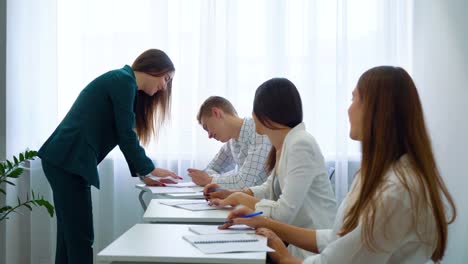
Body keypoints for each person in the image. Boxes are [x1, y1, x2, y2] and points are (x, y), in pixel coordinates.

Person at [220, 66, 457, 264]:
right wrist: (263, 221)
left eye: (355, 98)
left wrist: (286, 258)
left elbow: (339, 258)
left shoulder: (395, 191)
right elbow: (338, 239)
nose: (349, 108)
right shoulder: (376, 174)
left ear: (378, 112)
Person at [38, 49, 182, 264]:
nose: (164, 86)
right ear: (154, 68)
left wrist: (145, 174)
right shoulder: (123, 81)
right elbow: (126, 135)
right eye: (166, 78)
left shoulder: (125, 84)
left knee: (71, 237)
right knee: (80, 237)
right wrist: (148, 169)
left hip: (65, 160)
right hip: (68, 160)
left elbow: (125, 135)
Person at [206, 78, 337, 258]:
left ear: (266, 114)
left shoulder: (300, 144)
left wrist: (240, 199)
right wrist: (235, 194)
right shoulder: (284, 143)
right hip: (293, 240)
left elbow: (283, 213)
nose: (252, 114)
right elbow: (269, 187)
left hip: (311, 248)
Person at [187, 96, 272, 189]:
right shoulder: (232, 141)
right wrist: (209, 178)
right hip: (246, 200)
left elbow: (244, 183)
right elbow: (210, 169)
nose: (209, 136)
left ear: (216, 113)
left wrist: (209, 180)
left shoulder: (258, 132)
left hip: (267, 201)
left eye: (207, 127)